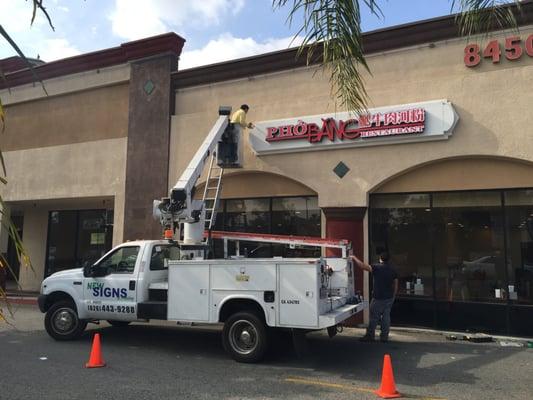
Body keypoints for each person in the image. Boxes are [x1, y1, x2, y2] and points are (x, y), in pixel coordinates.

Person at [351, 251, 398, 342]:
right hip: (389, 298)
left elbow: (363, 266)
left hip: (378, 297)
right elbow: (396, 285)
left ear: (380, 258)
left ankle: (370, 335)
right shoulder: (393, 270)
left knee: (373, 317)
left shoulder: (377, 267)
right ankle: (384, 337)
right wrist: (393, 296)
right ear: (389, 259)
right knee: (386, 317)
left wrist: (354, 257)